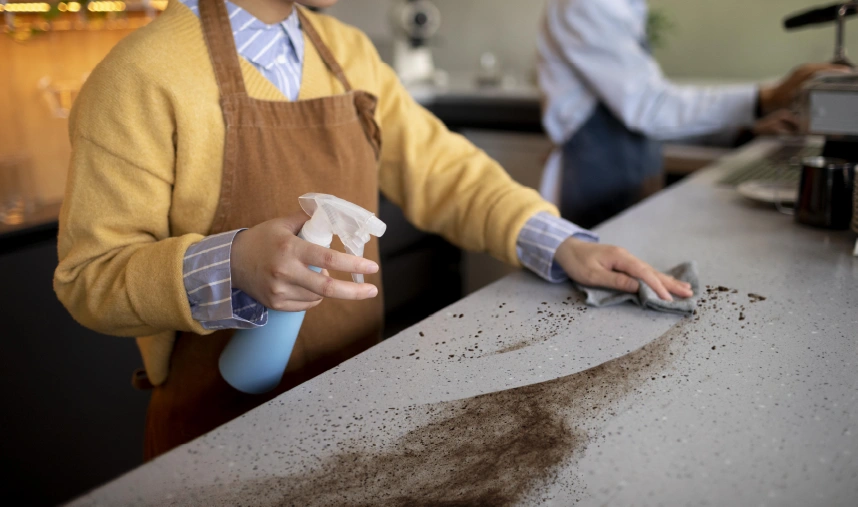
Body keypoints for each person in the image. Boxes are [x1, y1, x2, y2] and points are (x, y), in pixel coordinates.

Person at [54, 0, 692, 460]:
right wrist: (233, 265)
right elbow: (90, 278)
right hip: (215, 436)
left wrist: (562, 242)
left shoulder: (347, 51)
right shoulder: (140, 73)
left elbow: (445, 171)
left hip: (352, 415)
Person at [538, 0, 849, 227]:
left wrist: (747, 128)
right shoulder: (584, 5)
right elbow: (649, 107)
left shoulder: (625, 7)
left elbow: (654, 110)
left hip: (628, 175)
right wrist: (764, 97)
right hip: (591, 180)